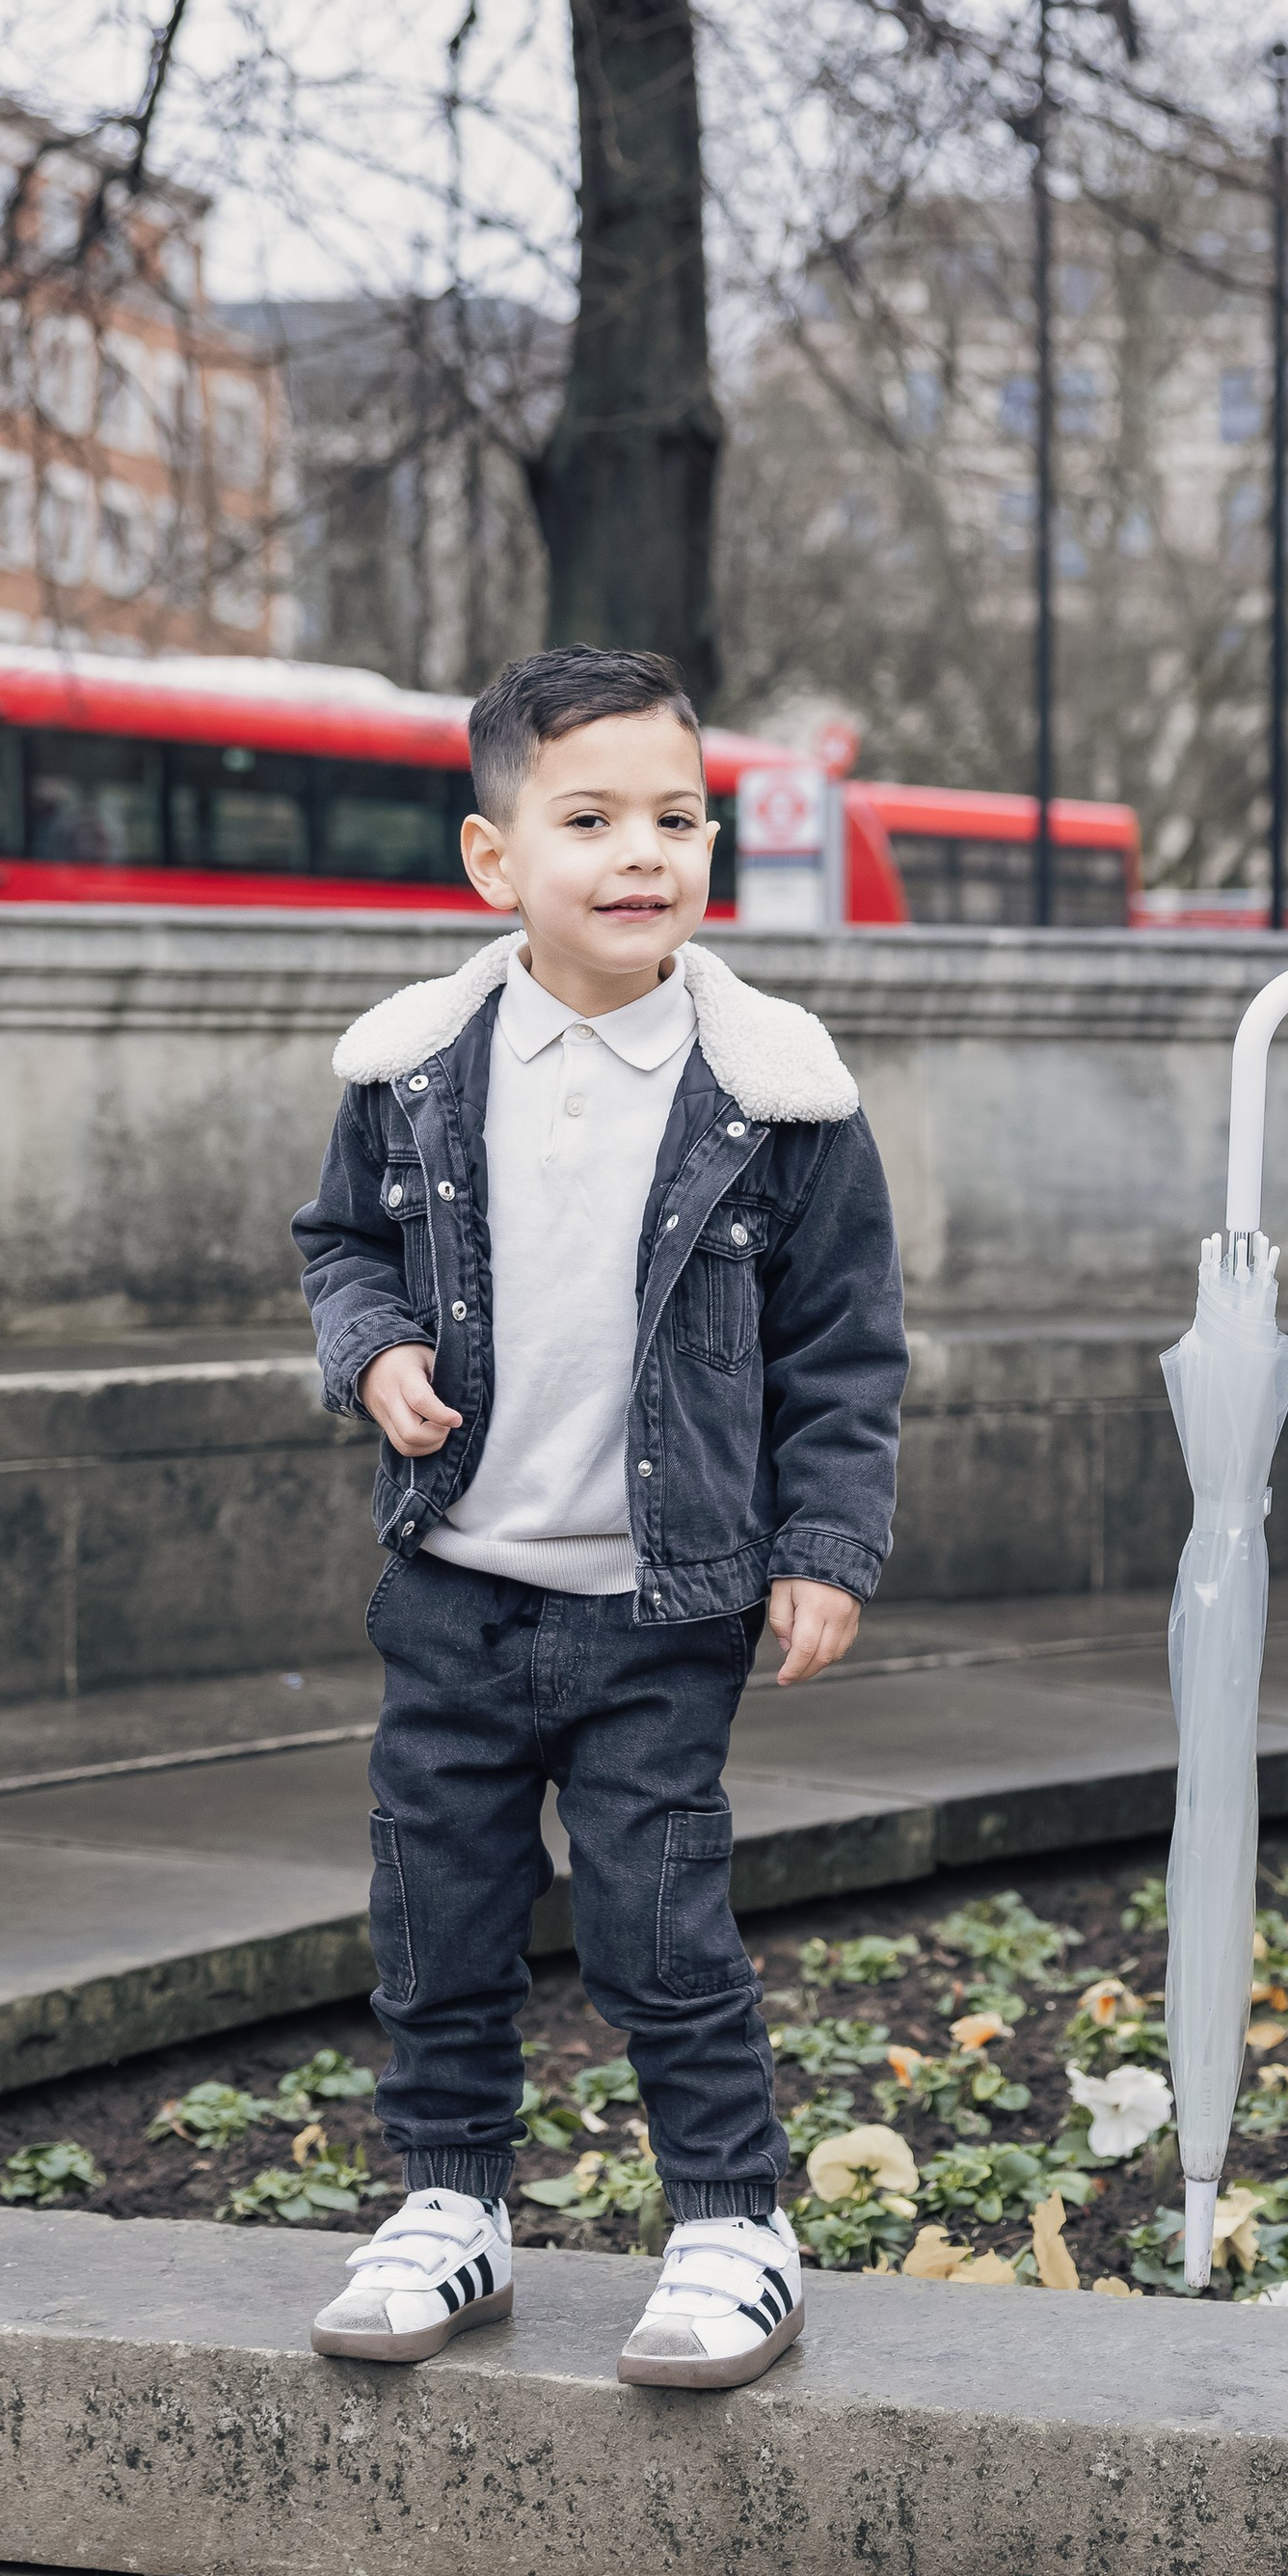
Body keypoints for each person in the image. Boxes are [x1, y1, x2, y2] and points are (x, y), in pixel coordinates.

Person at [293, 647, 904, 2389]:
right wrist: (377, 1348)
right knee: (436, 1911)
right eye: (590, 820)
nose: (643, 853)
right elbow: (338, 1240)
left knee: (658, 1919)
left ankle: (732, 2223)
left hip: (661, 1601)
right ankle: (450, 2203)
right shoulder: (416, 1067)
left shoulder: (777, 1092)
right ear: (496, 864)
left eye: (676, 817)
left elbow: (846, 1348)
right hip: (458, 1589)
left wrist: (822, 1547)